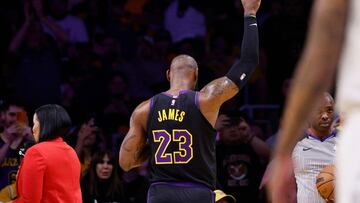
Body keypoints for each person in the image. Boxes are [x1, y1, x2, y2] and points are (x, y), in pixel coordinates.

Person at [119, 0, 261, 202]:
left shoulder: (144, 109)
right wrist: (250, 13)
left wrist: (153, 146)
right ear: (196, 75)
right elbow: (249, 61)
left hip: (161, 193)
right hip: (197, 192)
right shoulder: (207, 98)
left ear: (168, 74)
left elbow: (126, 163)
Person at [269, 0, 351, 203]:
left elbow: (318, 61)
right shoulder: (299, 144)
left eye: (329, 110)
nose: (324, 115)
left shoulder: (344, 140)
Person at [13, 104, 82, 203]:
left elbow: (30, 201)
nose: (32, 129)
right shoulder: (71, 151)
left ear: (45, 124)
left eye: (34, 123)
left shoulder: (36, 152)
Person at [292, 93, 337, 203]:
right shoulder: (294, 145)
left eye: (329, 110)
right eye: (318, 111)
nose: (325, 116)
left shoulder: (346, 144)